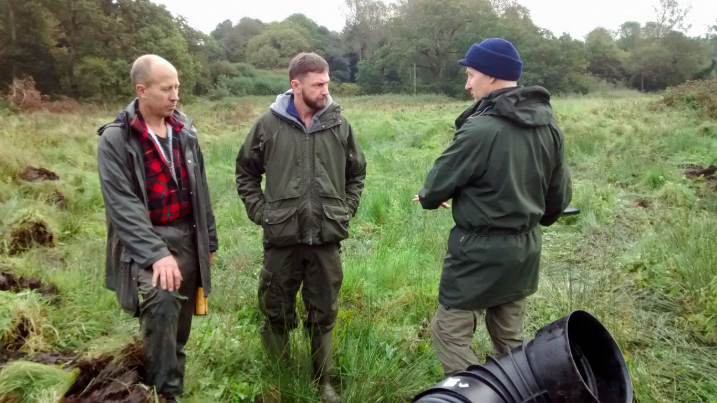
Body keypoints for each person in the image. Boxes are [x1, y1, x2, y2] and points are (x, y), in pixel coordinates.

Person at [413, 38, 572, 377]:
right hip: (524, 250)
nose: (467, 84)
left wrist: (431, 196)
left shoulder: (480, 129)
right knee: (510, 339)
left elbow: (434, 187)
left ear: (494, 77)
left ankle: (483, 395)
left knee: (448, 334)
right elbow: (558, 200)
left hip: (476, 253)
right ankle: (523, 393)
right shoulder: (549, 127)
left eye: (471, 75)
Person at [236, 52, 366, 403]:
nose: (326, 90)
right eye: (318, 84)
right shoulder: (268, 125)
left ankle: (323, 382)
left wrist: (346, 209)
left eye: (327, 83)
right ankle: (280, 379)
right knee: (276, 310)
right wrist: (261, 212)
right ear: (296, 85)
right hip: (282, 237)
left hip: (326, 237)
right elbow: (246, 172)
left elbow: (357, 174)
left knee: (323, 311)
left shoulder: (339, 125)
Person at [97, 54, 218, 402]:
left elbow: (202, 189)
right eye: (167, 88)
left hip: (187, 235)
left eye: (177, 87)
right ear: (142, 90)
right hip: (146, 240)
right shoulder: (116, 140)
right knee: (162, 299)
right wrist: (156, 254)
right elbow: (123, 207)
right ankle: (165, 394)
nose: (175, 95)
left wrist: (208, 239)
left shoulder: (185, 131)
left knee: (178, 322)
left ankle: (165, 375)